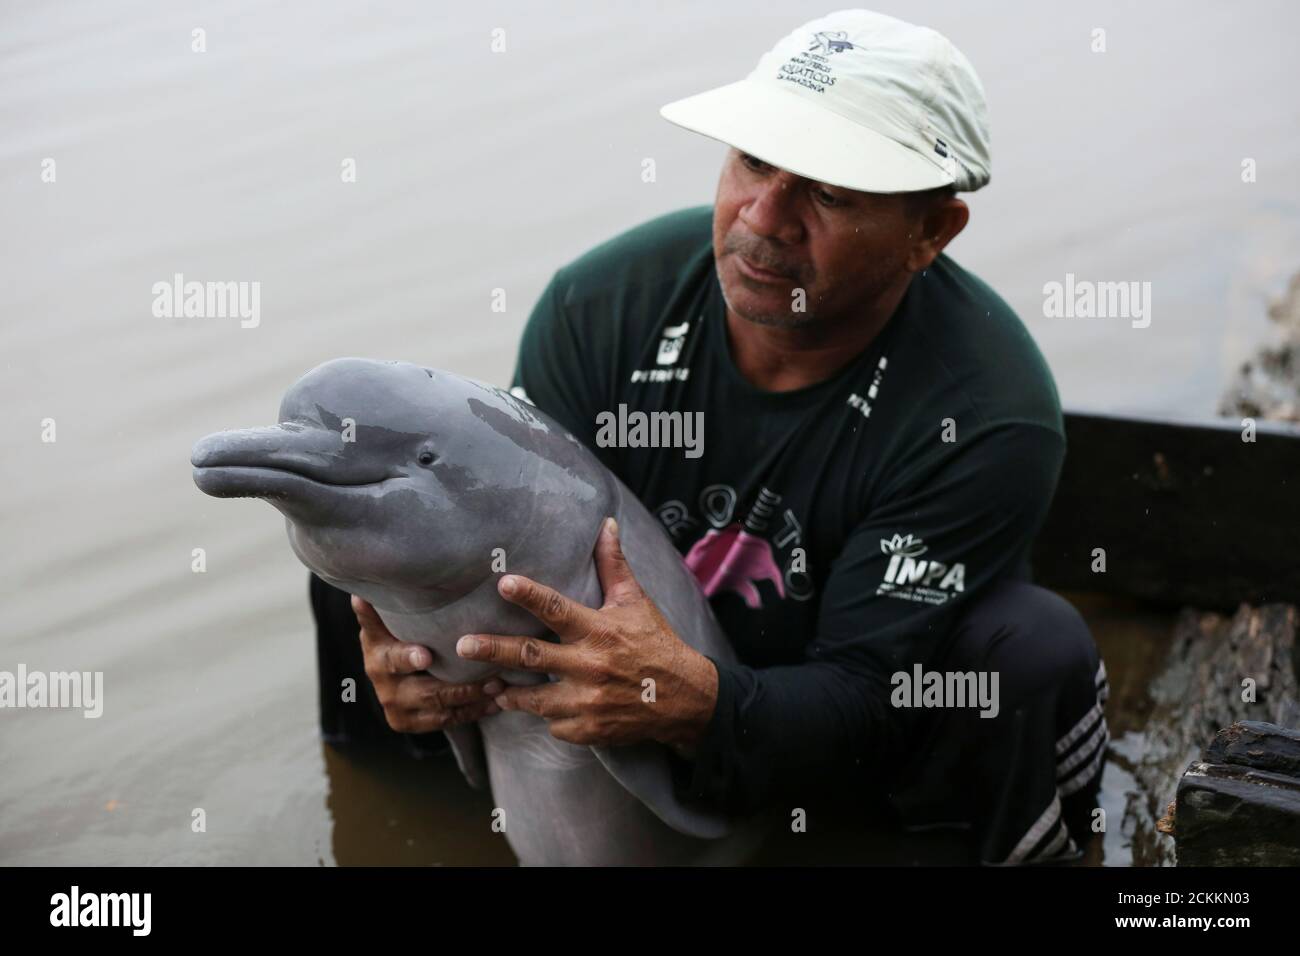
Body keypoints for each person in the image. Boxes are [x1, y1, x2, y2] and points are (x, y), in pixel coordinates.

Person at [315, 8, 1108, 865]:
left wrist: (693, 700)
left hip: (836, 707)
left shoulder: (985, 412)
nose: (764, 218)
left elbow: (874, 693)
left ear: (930, 232)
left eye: (830, 192)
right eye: (754, 161)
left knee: (1028, 652)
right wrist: (411, 666)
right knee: (363, 536)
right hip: (632, 656)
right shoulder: (601, 308)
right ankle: (414, 809)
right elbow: (507, 547)